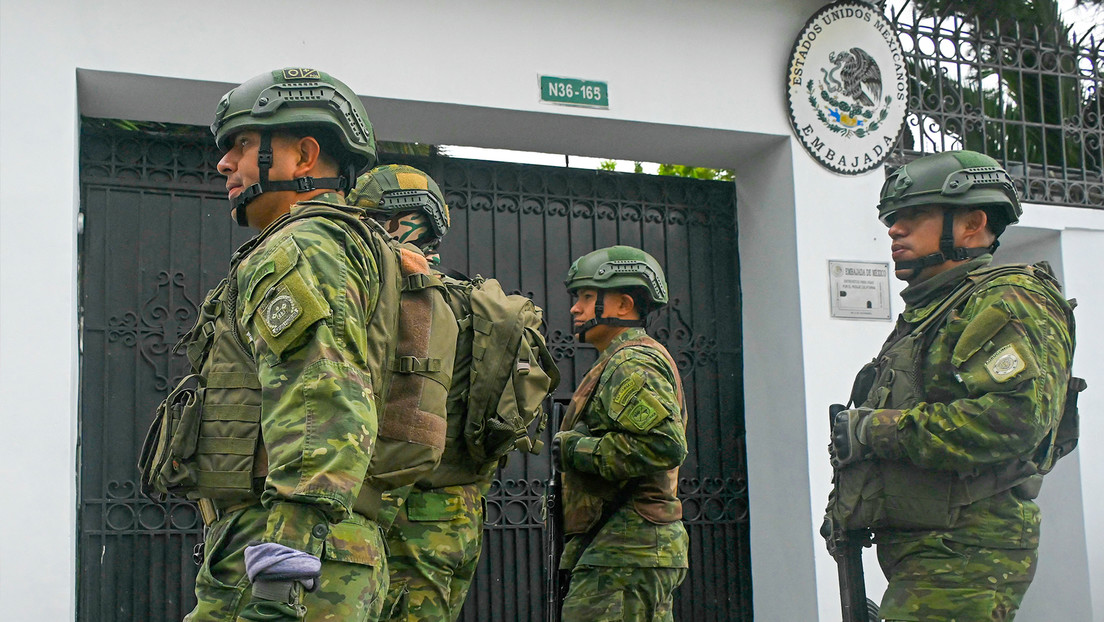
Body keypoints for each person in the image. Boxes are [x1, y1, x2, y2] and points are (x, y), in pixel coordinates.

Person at [825, 150, 1078, 621]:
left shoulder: (1007, 300)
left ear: (971, 224)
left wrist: (872, 430)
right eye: (892, 218)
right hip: (928, 545)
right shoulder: (938, 307)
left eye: (913, 215)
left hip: (967, 550)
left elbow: (1014, 421)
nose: (894, 229)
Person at [181, 67, 389, 621]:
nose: (225, 163)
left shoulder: (299, 248)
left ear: (303, 155)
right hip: (318, 547)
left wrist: (280, 571)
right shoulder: (349, 245)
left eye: (244, 143)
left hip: (285, 549)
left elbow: (321, 403)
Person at [348, 164, 487, 622]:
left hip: (406, 508)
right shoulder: (467, 299)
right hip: (462, 510)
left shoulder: (402, 295)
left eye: (369, 217)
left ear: (400, 221)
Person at [552, 246, 689, 622]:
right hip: (625, 547)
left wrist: (575, 449)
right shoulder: (618, 359)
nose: (575, 309)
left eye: (586, 297)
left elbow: (663, 445)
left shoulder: (631, 362)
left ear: (624, 304)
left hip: (629, 549)